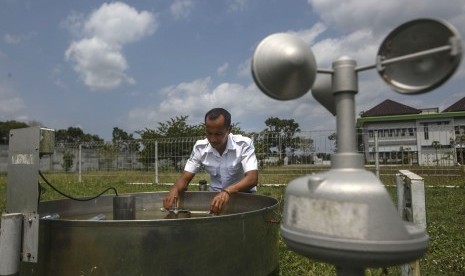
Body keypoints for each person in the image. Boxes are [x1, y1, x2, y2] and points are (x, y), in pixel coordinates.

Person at [163, 108, 258, 215]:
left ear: (229, 129)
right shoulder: (200, 148)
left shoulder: (244, 144)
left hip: (243, 196)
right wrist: (175, 189)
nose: (212, 139)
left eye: (218, 134)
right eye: (209, 133)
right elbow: (185, 178)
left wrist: (227, 192)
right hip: (215, 199)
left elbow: (252, 179)